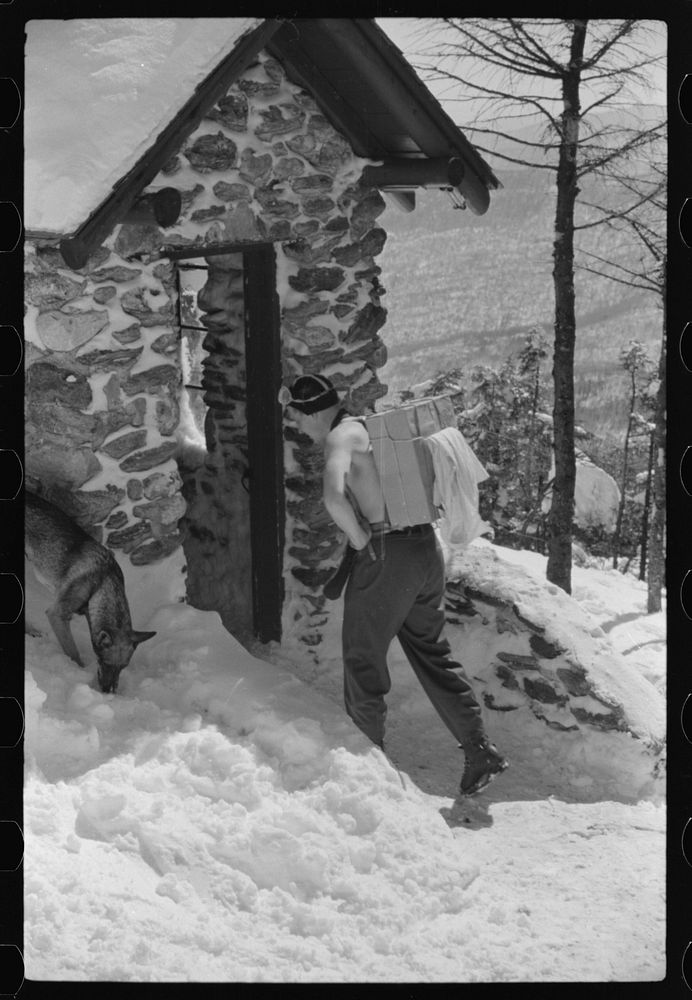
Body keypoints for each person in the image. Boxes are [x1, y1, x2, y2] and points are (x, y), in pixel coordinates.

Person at [281, 373, 508, 797]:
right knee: (432, 652)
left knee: (363, 659)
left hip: (386, 554)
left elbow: (333, 498)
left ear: (309, 411)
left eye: (296, 419)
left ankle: (370, 772)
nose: (299, 429)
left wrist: (361, 540)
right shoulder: (374, 430)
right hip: (425, 548)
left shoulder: (340, 437)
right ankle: (480, 750)